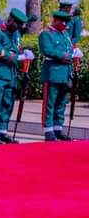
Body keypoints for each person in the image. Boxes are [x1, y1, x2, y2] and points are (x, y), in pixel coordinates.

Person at [0, 8, 31, 144]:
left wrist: (24, 54)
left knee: (7, 104)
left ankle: (3, 131)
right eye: (18, 24)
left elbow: (16, 48)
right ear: (11, 20)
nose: (19, 28)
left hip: (11, 74)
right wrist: (17, 57)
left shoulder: (15, 33)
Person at [39, 10, 81, 141]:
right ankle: (48, 130)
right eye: (63, 22)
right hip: (53, 72)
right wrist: (68, 56)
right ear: (56, 21)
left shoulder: (65, 34)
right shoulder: (46, 34)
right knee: (50, 103)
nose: (66, 25)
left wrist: (75, 52)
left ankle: (58, 128)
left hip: (66, 73)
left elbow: (69, 48)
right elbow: (47, 50)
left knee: (62, 103)